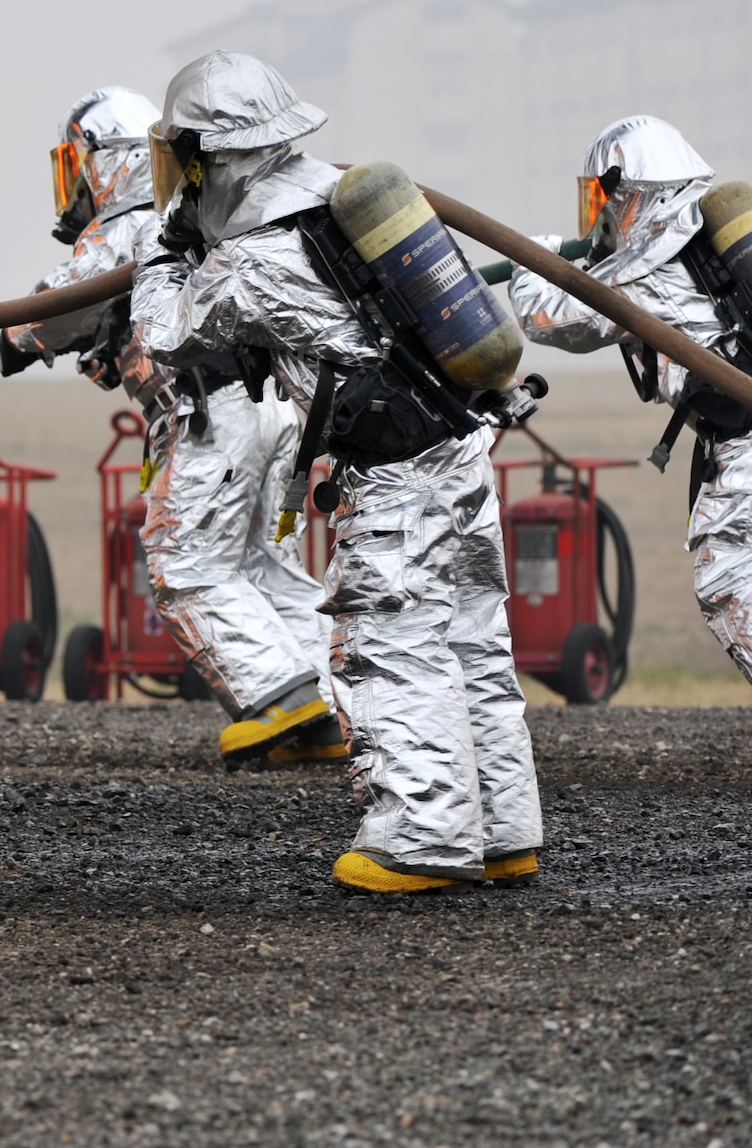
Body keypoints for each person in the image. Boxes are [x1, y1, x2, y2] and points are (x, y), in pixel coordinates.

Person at [132, 50, 544, 893]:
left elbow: (166, 336)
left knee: (389, 644)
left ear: (214, 159)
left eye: (183, 162)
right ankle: (503, 833)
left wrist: (159, 252)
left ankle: (423, 839)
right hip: (459, 448)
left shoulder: (253, 256)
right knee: (470, 643)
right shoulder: (333, 204)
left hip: (395, 474)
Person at [511, 115, 752, 767]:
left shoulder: (647, 261)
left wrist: (529, 260)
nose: (597, 216)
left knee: (732, 566)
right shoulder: (714, 234)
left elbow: (550, 319)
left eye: (600, 198)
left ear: (624, 190)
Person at [0, 87, 343, 768]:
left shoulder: (132, 223)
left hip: (209, 411)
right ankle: (331, 714)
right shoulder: (198, 214)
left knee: (184, 563)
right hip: (272, 410)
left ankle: (280, 697)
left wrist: (15, 338)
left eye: (76, 165)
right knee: (262, 568)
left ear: (106, 160)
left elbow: (64, 303)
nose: (75, 187)